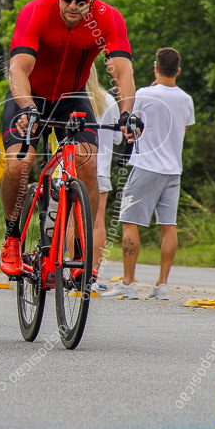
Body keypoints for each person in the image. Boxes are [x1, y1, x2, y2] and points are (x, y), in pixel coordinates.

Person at [0, 0, 137, 281]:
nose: (74, 5)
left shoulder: (108, 18)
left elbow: (123, 71)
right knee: (20, 162)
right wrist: (27, 107)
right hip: (30, 95)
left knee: (87, 163)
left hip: (72, 98)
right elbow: (19, 67)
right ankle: (12, 235)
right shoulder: (37, 11)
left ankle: (79, 250)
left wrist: (128, 114)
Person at [104, 47, 194, 300]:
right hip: (173, 170)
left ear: (156, 67)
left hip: (146, 166)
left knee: (130, 222)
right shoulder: (186, 99)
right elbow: (183, 131)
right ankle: (162, 285)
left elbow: (131, 120)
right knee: (169, 226)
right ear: (178, 70)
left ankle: (129, 283)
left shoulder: (144, 93)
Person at [87, 67, 121, 286]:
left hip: (74, 168)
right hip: (100, 171)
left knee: (73, 222)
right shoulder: (108, 100)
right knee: (97, 222)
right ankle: (92, 275)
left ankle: (73, 271)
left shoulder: (69, 100)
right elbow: (118, 139)